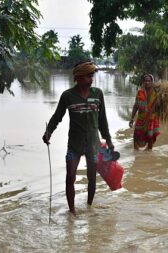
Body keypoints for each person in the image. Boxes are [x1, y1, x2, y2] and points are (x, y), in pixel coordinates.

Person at [42, 61, 114, 215]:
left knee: (92, 178)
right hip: (74, 144)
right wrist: (49, 132)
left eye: (92, 75)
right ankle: (72, 212)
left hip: (93, 144)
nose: (91, 79)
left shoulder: (98, 94)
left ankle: (89, 206)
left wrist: (108, 140)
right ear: (78, 77)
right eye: (88, 76)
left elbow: (102, 120)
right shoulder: (68, 96)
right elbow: (57, 116)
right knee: (70, 177)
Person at [128, 74, 160, 150]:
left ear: (152, 82)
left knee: (150, 137)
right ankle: (136, 154)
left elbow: (160, 107)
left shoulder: (157, 93)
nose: (147, 82)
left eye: (149, 81)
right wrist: (132, 119)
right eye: (146, 81)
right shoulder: (140, 92)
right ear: (143, 82)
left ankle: (149, 154)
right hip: (141, 118)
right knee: (136, 136)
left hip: (151, 119)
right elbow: (136, 106)